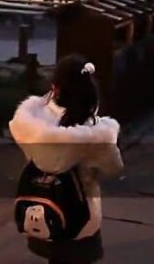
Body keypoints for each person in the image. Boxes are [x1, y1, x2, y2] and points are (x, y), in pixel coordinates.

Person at [10, 54, 123, 264]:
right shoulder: (93, 134)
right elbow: (113, 167)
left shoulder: (31, 123)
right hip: (80, 216)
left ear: (56, 87)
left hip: (42, 210)